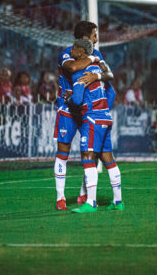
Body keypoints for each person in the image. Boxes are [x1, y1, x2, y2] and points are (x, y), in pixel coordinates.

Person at [53, 21, 115, 211]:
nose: (97, 39)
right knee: (63, 151)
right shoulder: (67, 53)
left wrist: (97, 75)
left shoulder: (97, 54)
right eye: (94, 35)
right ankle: (61, 197)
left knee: (91, 152)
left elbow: (109, 75)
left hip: (88, 110)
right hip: (67, 109)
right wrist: (93, 60)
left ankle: (84, 194)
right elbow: (72, 68)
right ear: (85, 38)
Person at [67, 39, 123, 213]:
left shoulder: (80, 72)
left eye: (75, 48)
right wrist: (103, 108)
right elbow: (111, 93)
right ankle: (118, 201)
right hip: (106, 118)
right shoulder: (98, 69)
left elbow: (76, 100)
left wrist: (68, 101)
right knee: (108, 159)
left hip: (92, 119)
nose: (71, 50)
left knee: (88, 157)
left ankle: (91, 202)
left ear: (82, 52)